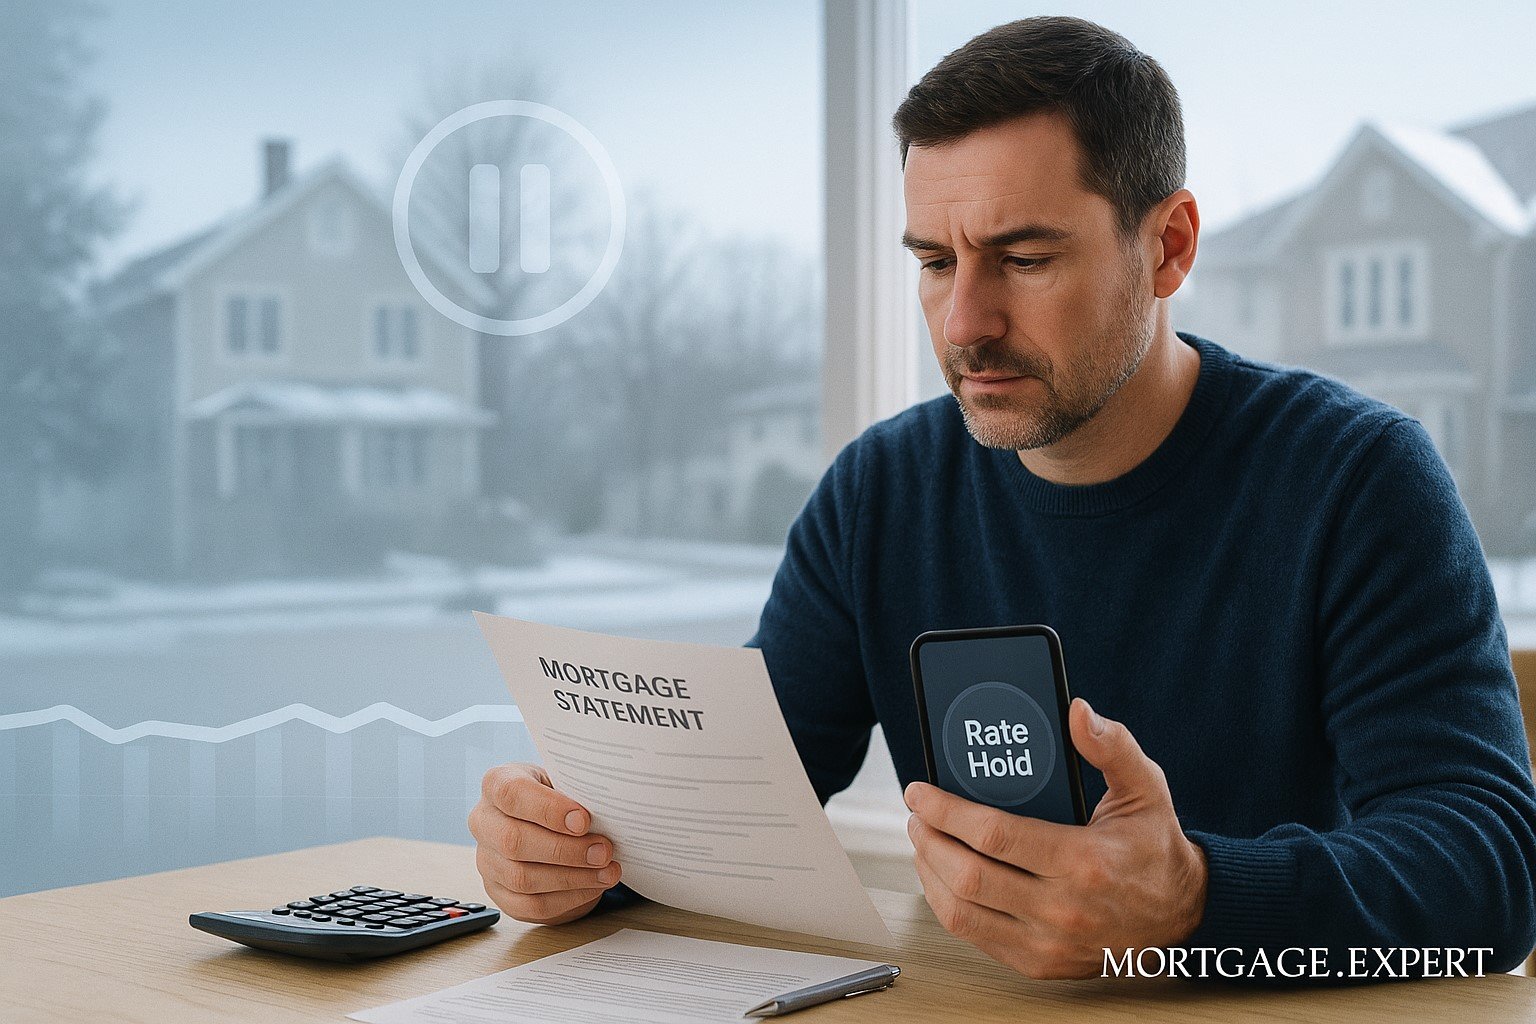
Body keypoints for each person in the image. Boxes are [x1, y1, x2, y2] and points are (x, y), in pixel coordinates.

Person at [470, 15, 1536, 980]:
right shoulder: (879, 493)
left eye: (1023, 257)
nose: (963, 321)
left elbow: (1493, 870)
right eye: (934, 261)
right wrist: (577, 852)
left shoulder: (1357, 478)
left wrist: (1195, 897)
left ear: (1167, 247)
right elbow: (734, 811)